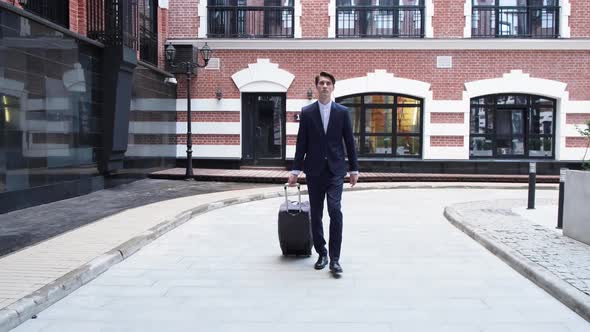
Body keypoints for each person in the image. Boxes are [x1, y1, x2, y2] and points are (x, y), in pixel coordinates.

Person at [287, 71, 359, 274]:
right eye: (321, 83)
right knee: (316, 214)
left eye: (328, 83)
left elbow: (349, 142)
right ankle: (322, 253)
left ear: (333, 87)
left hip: (336, 170)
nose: (325, 86)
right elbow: (302, 143)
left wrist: (354, 169)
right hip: (314, 171)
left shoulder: (342, 112)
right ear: (317, 87)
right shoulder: (307, 112)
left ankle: (335, 259)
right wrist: (295, 170)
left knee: (335, 211)